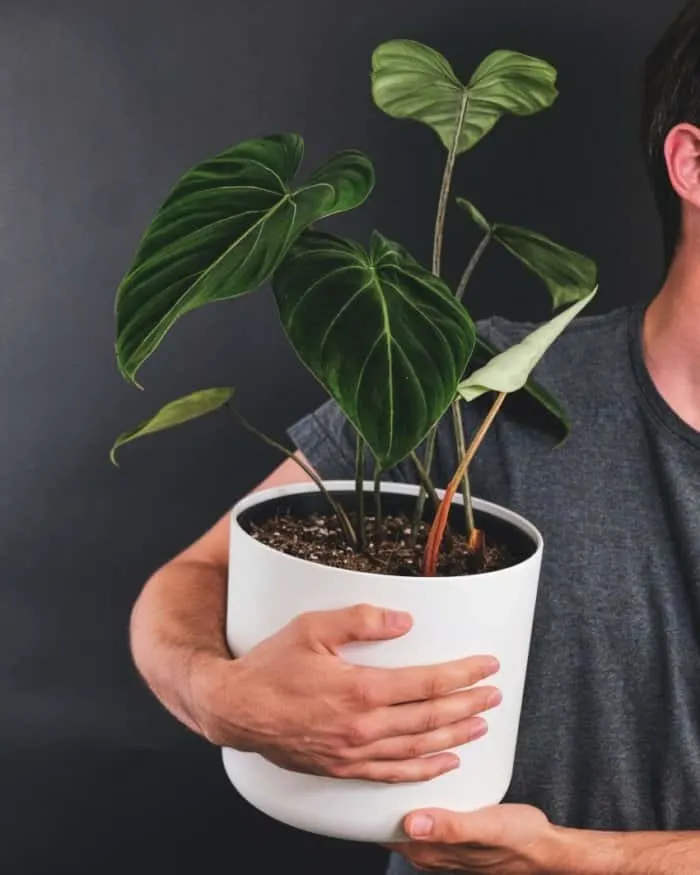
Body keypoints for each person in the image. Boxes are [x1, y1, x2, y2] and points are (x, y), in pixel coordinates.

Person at [129, 3, 700, 872]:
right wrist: (221, 696)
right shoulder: (479, 385)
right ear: (693, 163)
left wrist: (594, 861)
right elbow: (194, 576)